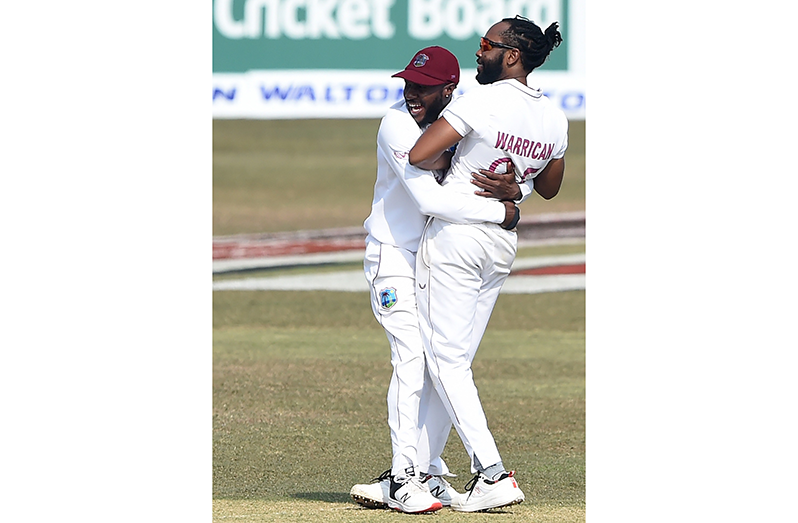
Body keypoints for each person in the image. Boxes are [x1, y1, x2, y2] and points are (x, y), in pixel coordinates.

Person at [349, 46, 522, 514]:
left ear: (449, 89)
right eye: (407, 85)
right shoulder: (397, 125)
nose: (411, 95)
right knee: (411, 359)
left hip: (432, 259)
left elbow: (494, 171)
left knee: (446, 362)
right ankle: (403, 478)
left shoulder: (460, 124)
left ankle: (426, 471)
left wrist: (515, 189)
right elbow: (430, 200)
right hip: (391, 255)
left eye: (422, 88)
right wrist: (504, 213)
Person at [407, 17, 569, 512]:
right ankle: (423, 471)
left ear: (512, 55)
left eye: (486, 46)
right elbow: (550, 187)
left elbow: (418, 154)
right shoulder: (554, 116)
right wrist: (515, 185)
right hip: (500, 243)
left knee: (445, 361)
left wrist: (459, 154)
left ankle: (492, 472)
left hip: (457, 239)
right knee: (452, 364)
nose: (478, 53)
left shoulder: (481, 100)